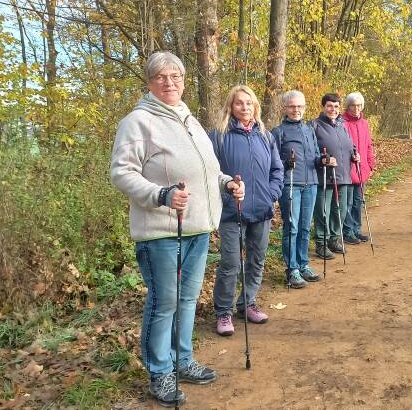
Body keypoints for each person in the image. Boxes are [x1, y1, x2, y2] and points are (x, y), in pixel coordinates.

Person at [110, 51, 244, 407]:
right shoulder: (138, 121)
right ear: (150, 81)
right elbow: (121, 173)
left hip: (198, 227)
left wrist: (227, 182)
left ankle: (182, 361)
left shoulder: (189, 119)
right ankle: (160, 372)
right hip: (161, 231)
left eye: (176, 76)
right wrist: (160, 195)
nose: (170, 83)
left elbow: (207, 170)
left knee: (187, 300)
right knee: (164, 303)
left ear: (184, 80)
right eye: (161, 77)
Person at [210, 85, 283, 335]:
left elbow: (277, 170)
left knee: (256, 259)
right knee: (230, 262)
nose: (245, 107)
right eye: (239, 103)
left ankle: (247, 302)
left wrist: (272, 194)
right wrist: (227, 189)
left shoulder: (265, 136)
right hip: (232, 211)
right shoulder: (218, 136)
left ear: (255, 107)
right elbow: (211, 173)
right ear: (231, 106)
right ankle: (223, 312)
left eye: (249, 103)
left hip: (261, 209)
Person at [271, 90, 324, 288]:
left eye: (300, 106)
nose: (296, 110)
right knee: (291, 227)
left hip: (310, 184)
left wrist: (323, 161)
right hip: (290, 184)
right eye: (292, 106)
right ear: (285, 108)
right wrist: (286, 163)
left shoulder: (309, 129)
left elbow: (316, 155)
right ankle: (291, 269)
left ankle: (303, 265)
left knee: (304, 227)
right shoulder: (278, 132)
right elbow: (273, 162)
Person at [311, 93, 358, 260]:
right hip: (324, 176)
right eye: (330, 106)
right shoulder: (315, 125)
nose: (333, 109)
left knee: (341, 210)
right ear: (323, 107)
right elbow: (311, 150)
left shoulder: (342, 125)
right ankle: (321, 243)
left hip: (344, 175)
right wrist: (322, 159)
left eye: (336, 106)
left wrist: (354, 154)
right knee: (323, 211)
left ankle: (335, 239)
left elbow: (350, 145)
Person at [341, 92, 376, 245]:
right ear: (348, 106)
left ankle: (356, 229)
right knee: (347, 203)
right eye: (353, 105)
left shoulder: (365, 123)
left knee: (358, 201)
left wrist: (370, 163)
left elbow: (368, 145)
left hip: (362, 168)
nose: (356, 108)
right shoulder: (341, 122)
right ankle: (347, 231)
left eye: (359, 105)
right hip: (347, 169)